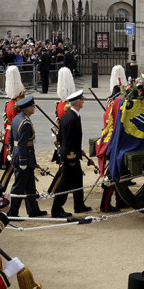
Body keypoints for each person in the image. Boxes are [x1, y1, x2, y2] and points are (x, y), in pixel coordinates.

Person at [51, 90, 90, 218]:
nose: (83, 101)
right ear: (78, 102)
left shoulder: (68, 115)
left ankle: (79, 205)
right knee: (65, 183)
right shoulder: (72, 118)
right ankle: (56, 209)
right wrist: (71, 157)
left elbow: (60, 136)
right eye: (82, 99)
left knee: (78, 179)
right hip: (70, 157)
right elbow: (69, 140)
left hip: (71, 155)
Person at [9, 96, 47, 218]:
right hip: (23, 157)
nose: (34, 108)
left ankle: (33, 209)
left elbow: (11, 139)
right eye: (32, 106)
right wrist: (23, 161)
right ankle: (12, 212)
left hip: (21, 155)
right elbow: (22, 144)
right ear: (27, 108)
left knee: (30, 185)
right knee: (19, 187)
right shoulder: (24, 123)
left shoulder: (17, 119)